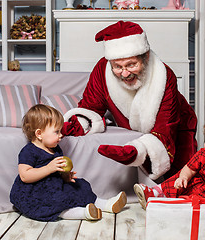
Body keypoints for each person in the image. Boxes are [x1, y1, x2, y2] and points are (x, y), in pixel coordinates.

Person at [62, 20, 197, 181]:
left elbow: (164, 127)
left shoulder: (164, 77)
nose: (125, 73)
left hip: (177, 128)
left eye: (131, 65)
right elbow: (91, 106)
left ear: (145, 57)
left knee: (180, 183)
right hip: (136, 128)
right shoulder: (102, 70)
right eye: (117, 67)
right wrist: (68, 128)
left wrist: (137, 151)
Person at [10, 104, 127, 222]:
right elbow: (25, 176)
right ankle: (84, 213)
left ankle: (105, 204)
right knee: (57, 201)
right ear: (39, 134)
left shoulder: (55, 149)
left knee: (80, 186)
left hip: (55, 185)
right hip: (36, 192)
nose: (61, 135)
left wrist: (65, 176)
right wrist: (48, 168)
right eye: (56, 132)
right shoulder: (29, 151)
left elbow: (57, 172)